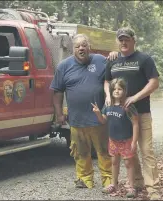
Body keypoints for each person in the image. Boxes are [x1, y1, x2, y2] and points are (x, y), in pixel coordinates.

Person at [50, 34, 118, 189]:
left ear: (89, 46)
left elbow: (115, 75)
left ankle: (108, 179)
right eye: (77, 46)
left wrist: (114, 55)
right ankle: (84, 178)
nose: (81, 48)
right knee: (80, 151)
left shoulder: (101, 60)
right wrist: (59, 114)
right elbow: (57, 92)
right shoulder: (64, 66)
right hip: (76, 119)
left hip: (99, 118)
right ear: (73, 49)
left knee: (104, 150)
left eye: (84, 45)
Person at [104, 27, 161, 200]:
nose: (123, 42)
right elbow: (106, 81)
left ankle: (153, 188)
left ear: (133, 40)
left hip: (140, 113)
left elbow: (154, 82)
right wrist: (107, 95)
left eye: (126, 39)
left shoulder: (144, 59)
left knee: (146, 150)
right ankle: (136, 183)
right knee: (130, 150)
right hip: (118, 117)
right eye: (120, 39)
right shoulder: (112, 60)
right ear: (117, 41)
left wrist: (135, 97)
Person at [92, 78, 139, 198]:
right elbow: (103, 121)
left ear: (124, 90)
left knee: (128, 163)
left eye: (120, 89)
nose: (117, 91)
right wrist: (97, 113)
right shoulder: (108, 105)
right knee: (114, 162)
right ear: (110, 91)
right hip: (113, 140)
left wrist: (134, 141)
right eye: (114, 89)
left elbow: (135, 123)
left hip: (126, 140)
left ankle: (131, 187)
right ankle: (114, 184)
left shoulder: (128, 106)